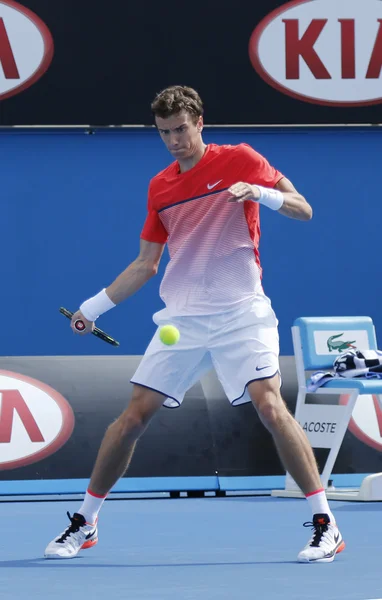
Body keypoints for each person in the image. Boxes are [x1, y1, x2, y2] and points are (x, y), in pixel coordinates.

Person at [44, 85, 344, 563]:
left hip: (242, 311)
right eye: (165, 133)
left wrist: (259, 192)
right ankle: (86, 521)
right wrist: (92, 309)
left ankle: (326, 525)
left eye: (181, 129)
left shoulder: (241, 159)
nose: (175, 140)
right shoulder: (160, 187)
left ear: (200, 123)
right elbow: (145, 265)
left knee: (269, 405)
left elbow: (303, 208)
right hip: (182, 319)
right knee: (130, 420)